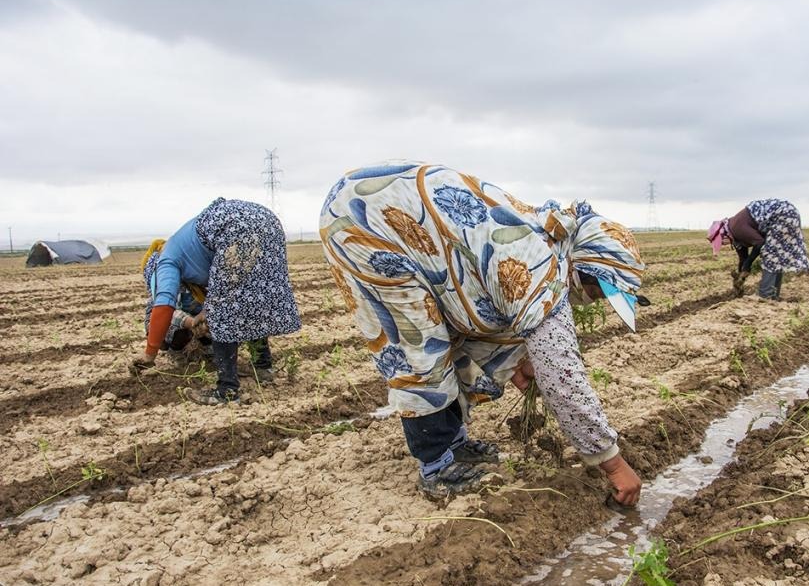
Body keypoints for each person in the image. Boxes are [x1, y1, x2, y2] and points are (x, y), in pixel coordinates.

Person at [320, 161, 648, 505]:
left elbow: (486, 314)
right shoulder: (540, 267)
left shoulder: (544, 247)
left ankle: (454, 444)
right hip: (368, 223)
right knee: (419, 348)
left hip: (396, 222)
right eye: (597, 292)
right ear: (584, 265)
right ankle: (436, 466)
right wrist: (613, 464)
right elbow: (563, 378)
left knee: (447, 339)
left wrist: (521, 360)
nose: (592, 301)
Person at [131, 198, 302, 404]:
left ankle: (227, 391)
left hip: (233, 226)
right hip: (268, 221)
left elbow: (164, 304)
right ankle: (263, 369)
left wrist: (150, 353)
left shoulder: (165, 261)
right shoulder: (183, 248)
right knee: (248, 300)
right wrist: (206, 311)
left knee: (224, 309)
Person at [707, 199, 809, 300]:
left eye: (721, 242)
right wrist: (740, 277)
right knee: (776, 256)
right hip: (786, 214)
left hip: (783, 214)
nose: (723, 245)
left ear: (724, 235)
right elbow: (743, 258)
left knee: (771, 255)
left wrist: (748, 263)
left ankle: (765, 296)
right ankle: (773, 295)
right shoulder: (733, 232)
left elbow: (760, 243)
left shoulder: (737, 228)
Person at [140, 239, 214, 357]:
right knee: (167, 327)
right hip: (178, 323)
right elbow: (166, 311)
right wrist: (191, 322)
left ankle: (205, 348)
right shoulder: (165, 279)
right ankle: (176, 352)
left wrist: (206, 315)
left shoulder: (197, 272)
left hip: (197, 319)